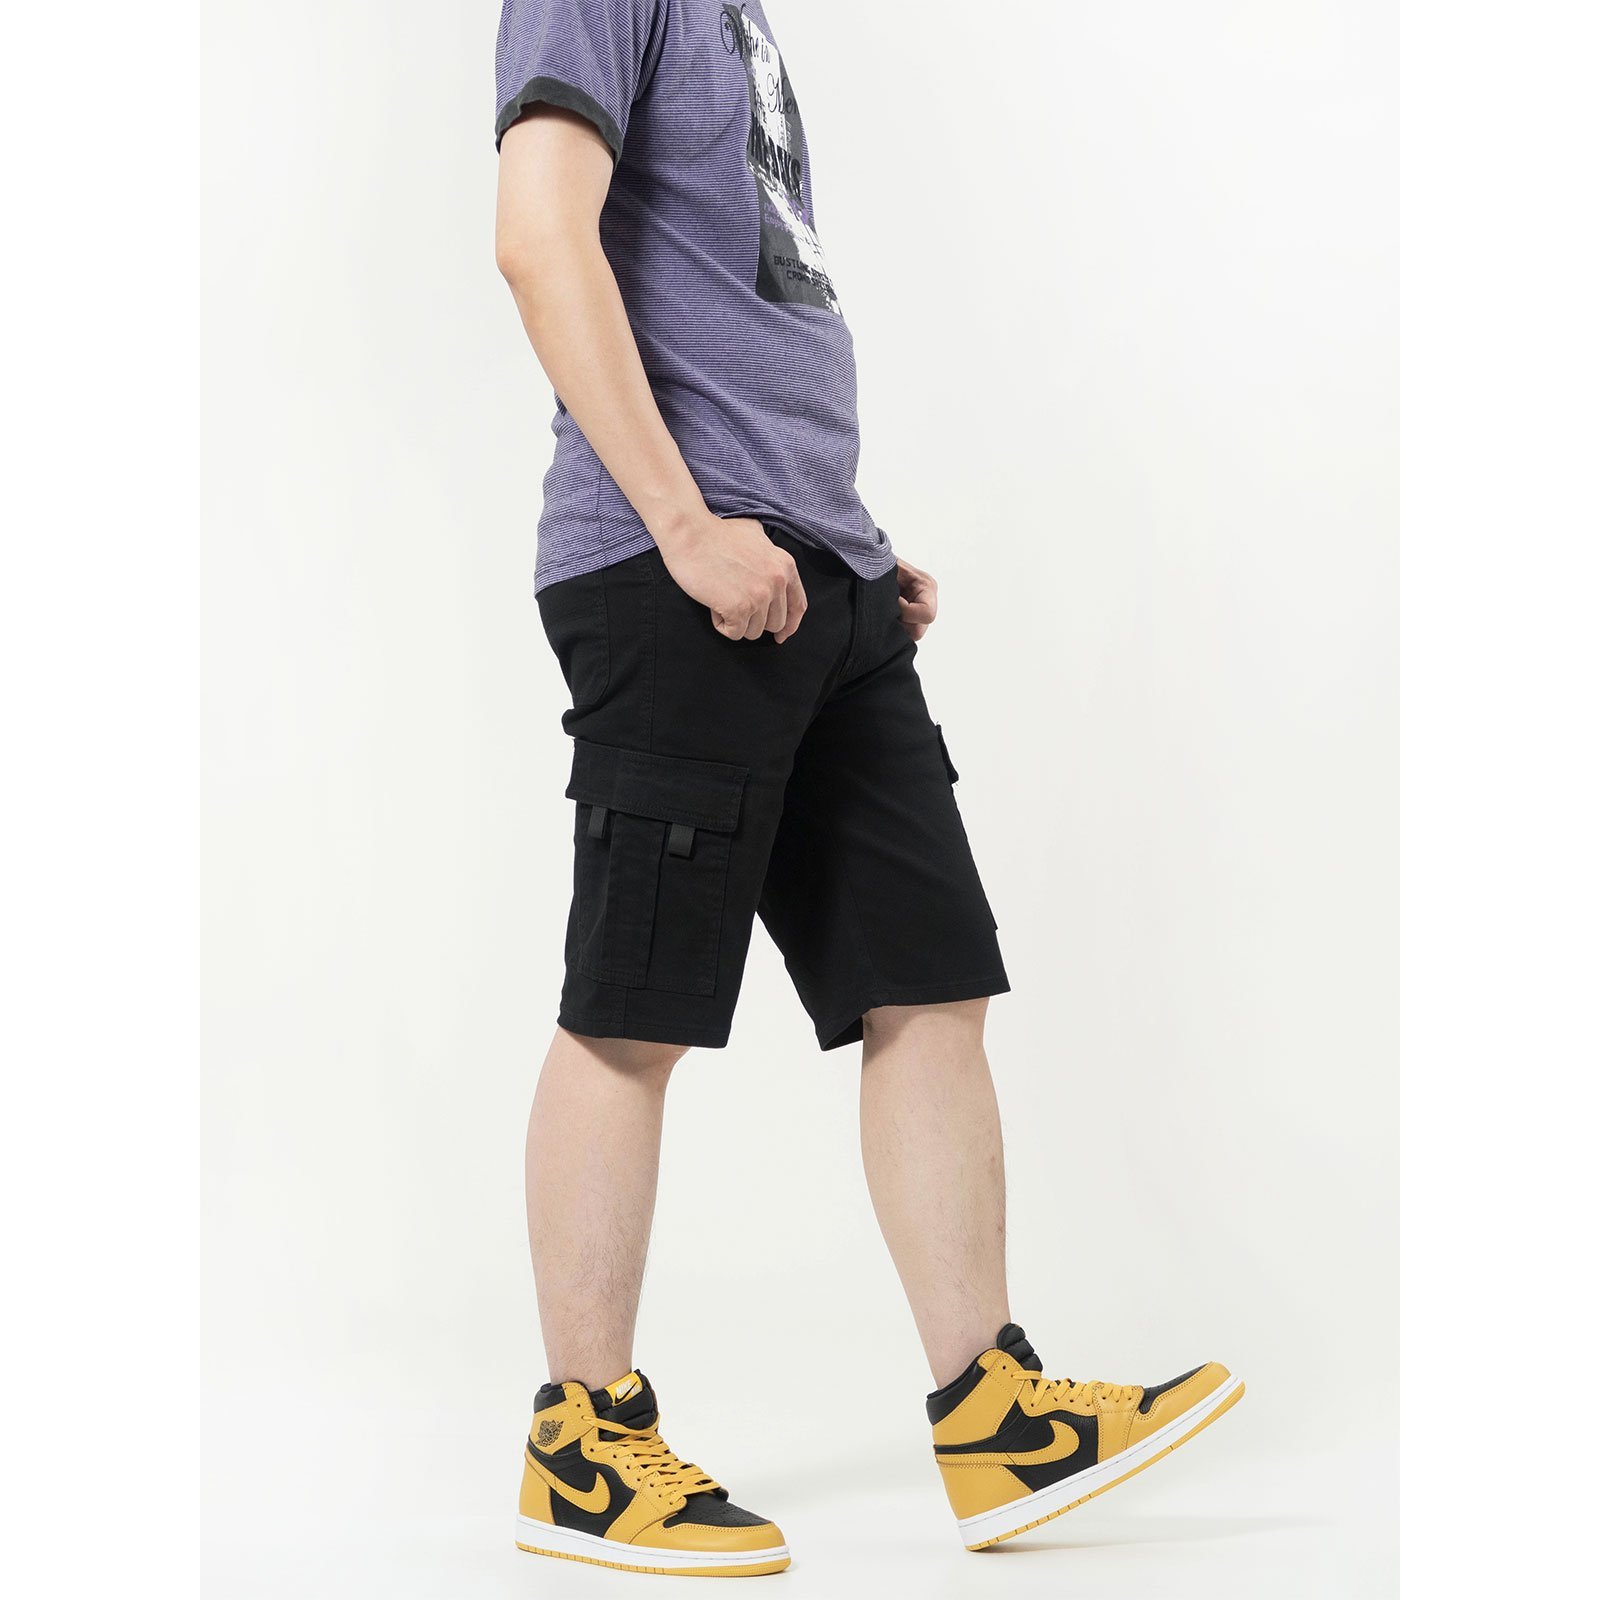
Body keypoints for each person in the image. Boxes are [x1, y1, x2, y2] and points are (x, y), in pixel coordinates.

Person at [492, 0, 1242, 1575]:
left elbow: (729, 295)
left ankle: (995, 1413)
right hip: (677, 570)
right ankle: (582, 1445)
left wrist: (840, 543)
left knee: (927, 982)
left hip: (811, 572)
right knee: (634, 1010)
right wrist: (690, 529)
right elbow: (538, 236)